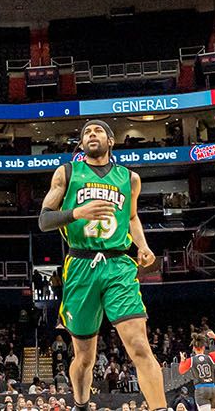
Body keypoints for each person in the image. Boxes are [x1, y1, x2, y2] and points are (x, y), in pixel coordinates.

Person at [36, 119, 168, 411]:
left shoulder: (129, 178)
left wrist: (143, 246)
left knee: (139, 345)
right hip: (80, 265)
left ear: (111, 141)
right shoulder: (67, 173)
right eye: (86, 133)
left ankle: (161, 408)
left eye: (98, 131)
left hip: (118, 264)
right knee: (84, 357)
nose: (91, 134)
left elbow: (132, 218)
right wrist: (77, 212)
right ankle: (81, 404)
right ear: (81, 144)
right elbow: (44, 220)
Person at [180, 330, 215, 411]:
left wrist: (182, 361)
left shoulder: (191, 360)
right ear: (203, 347)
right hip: (213, 389)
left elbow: (181, 371)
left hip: (201, 390)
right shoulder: (210, 357)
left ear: (193, 348)